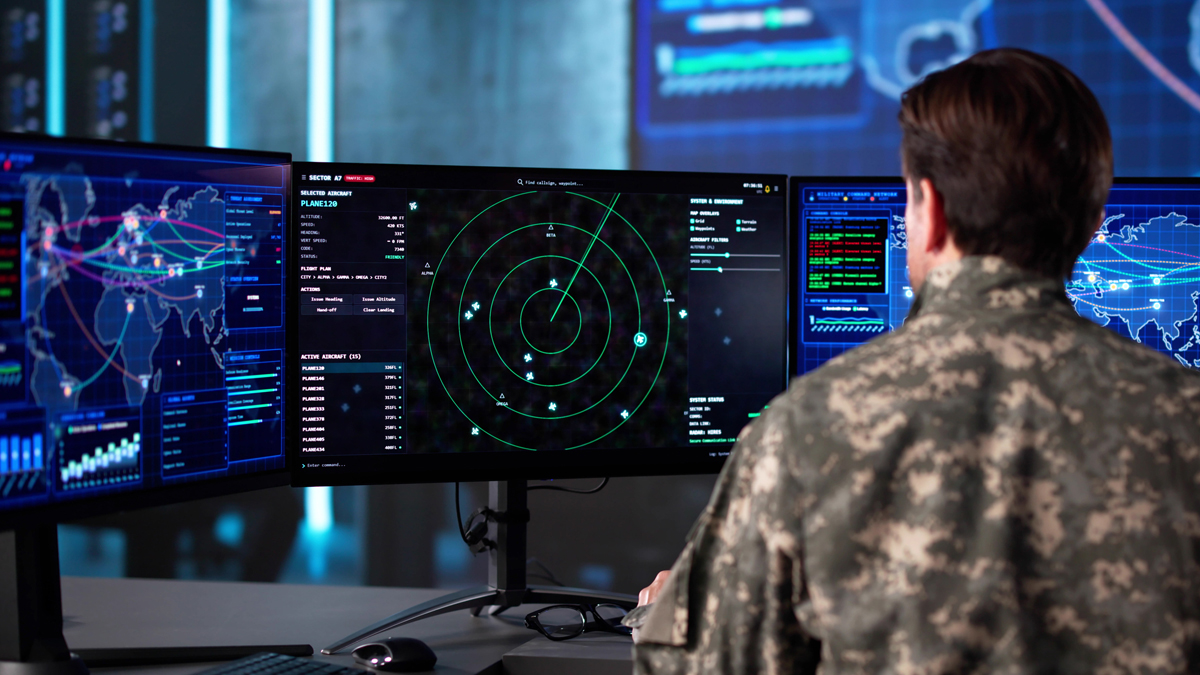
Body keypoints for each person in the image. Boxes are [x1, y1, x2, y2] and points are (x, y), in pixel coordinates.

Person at [631, 48, 1200, 674]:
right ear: (1093, 224)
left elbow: (699, 667)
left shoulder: (805, 431)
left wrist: (662, 616)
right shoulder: (1187, 420)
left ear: (930, 212)